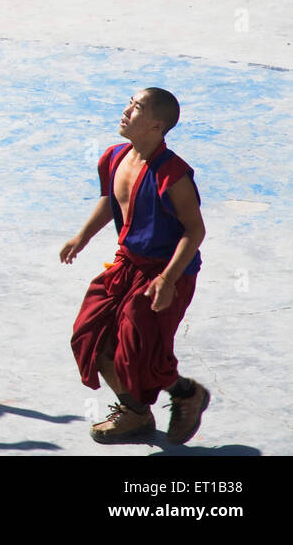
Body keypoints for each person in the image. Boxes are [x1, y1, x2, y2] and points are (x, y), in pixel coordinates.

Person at [61, 87, 210, 444]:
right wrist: (81, 237)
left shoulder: (172, 175)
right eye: (129, 102)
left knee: (139, 352)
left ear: (157, 125)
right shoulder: (113, 157)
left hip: (166, 273)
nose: (126, 110)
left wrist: (167, 279)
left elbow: (195, 230)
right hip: (127, 264)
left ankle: (187, 393)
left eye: (137, 107)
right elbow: (112, 200)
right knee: (91, 338)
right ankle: (136, 413)